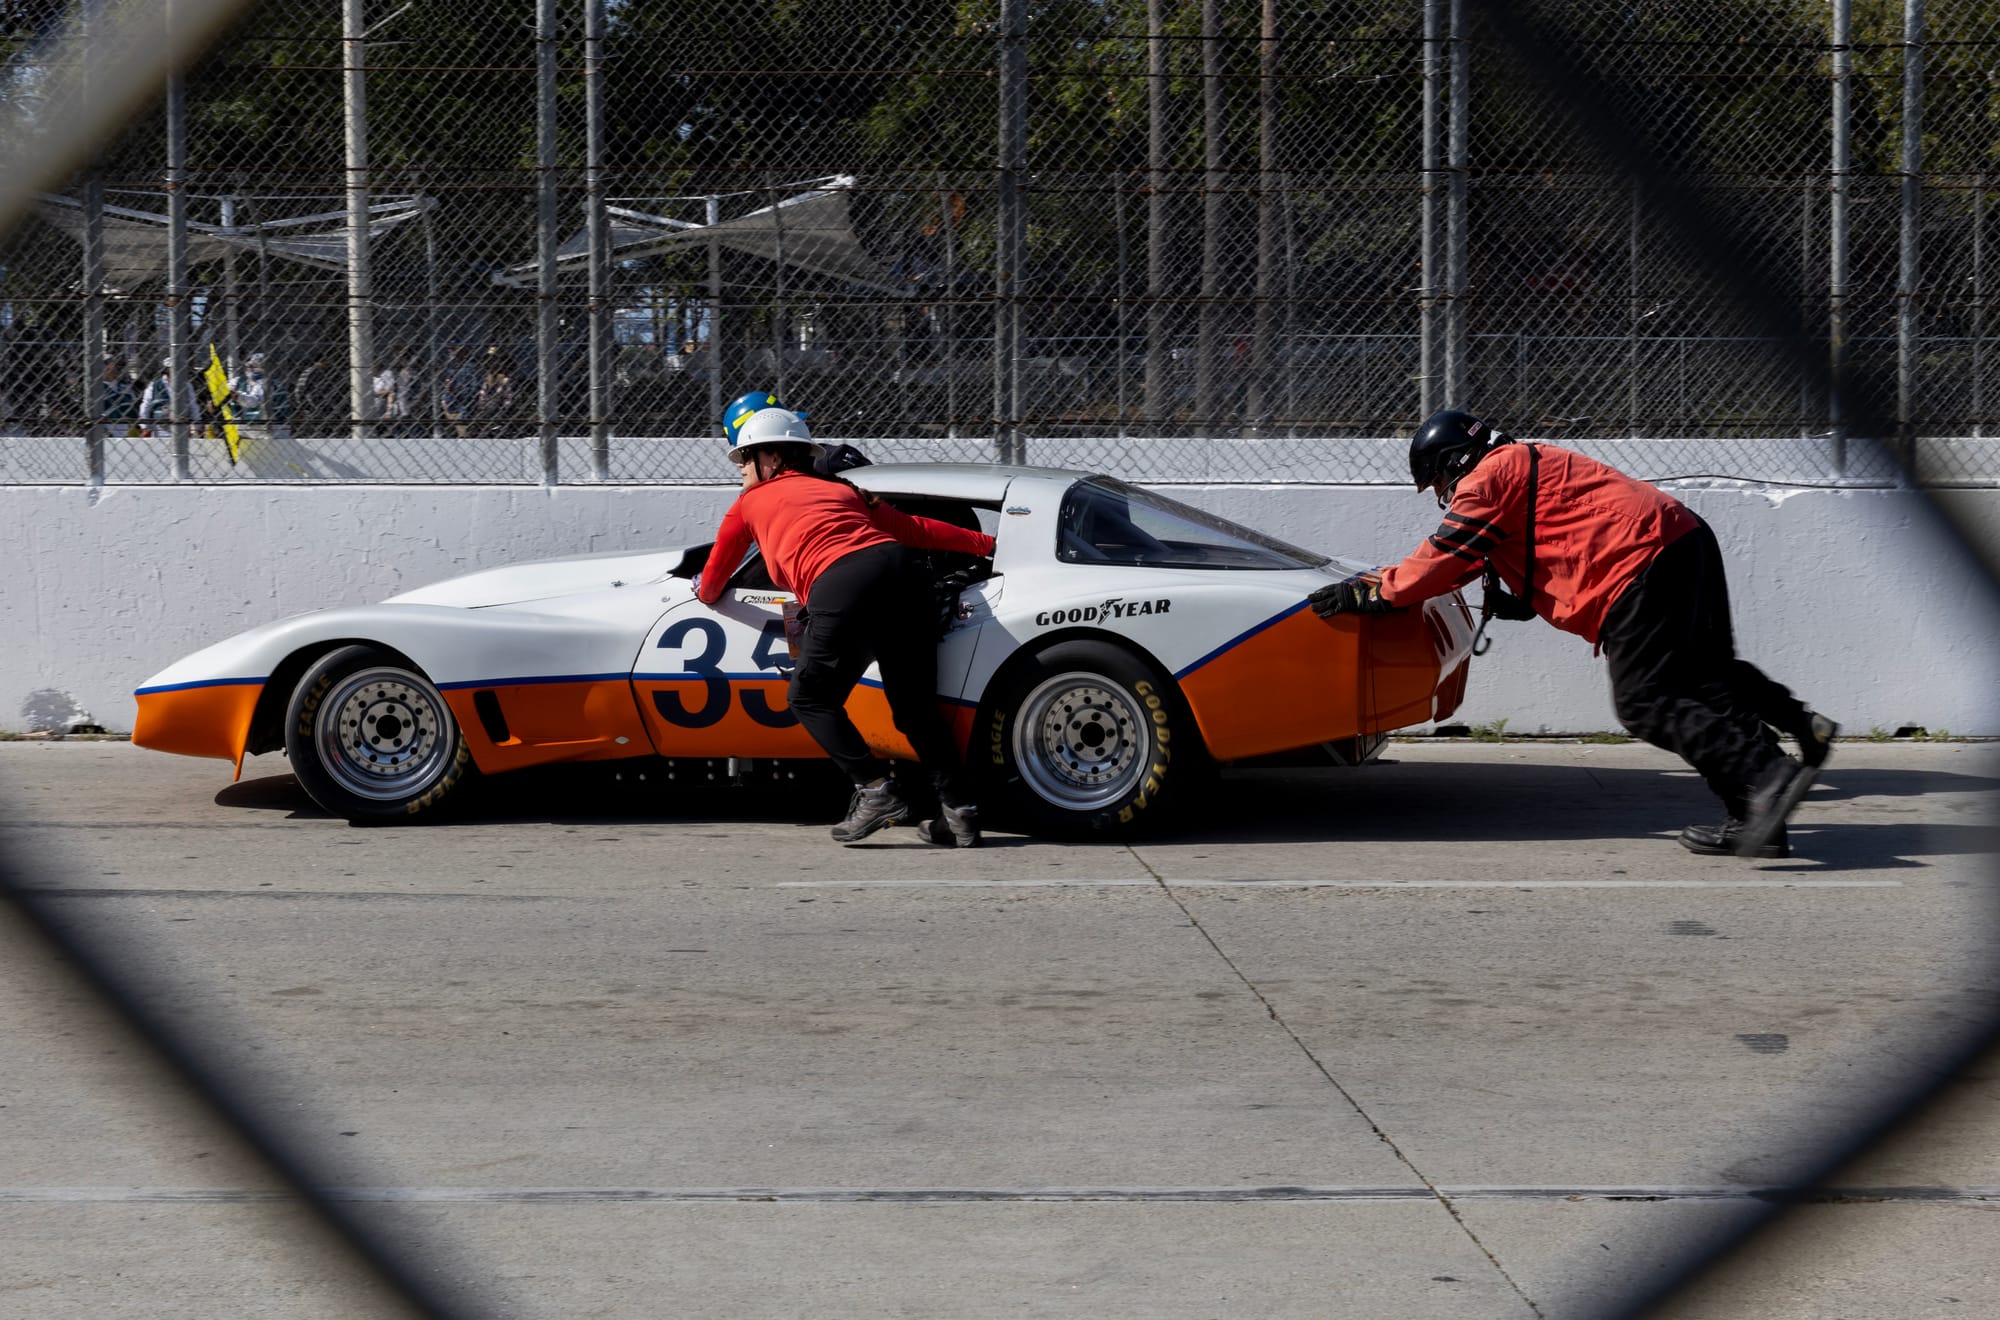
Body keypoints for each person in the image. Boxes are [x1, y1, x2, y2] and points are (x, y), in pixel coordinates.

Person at [1310, 408, 1837, 859]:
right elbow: (1475, 556)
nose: (1446, 496)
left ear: (1453, 462)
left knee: (1646, 702)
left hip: (1640, 563)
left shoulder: (1490, 478)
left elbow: (1442, 557)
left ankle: (1767, 774)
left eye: (1440, 483)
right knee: (1708, 679)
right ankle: (1769, 786)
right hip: (1679, 539)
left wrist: (1373, 593)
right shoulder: (1521, 462)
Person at [695, 401, 997, 847]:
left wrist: (703, 587)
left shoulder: (749, 503)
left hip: (843, 582)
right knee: (914, 710)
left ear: (773, 458)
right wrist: (989, 543)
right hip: (906, 575)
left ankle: (875, 791)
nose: (740, 468)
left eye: (745, 458)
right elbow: (914, 529)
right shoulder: (844, 490)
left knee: (809, 696)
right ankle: (960, 814)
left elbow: (713, 579)